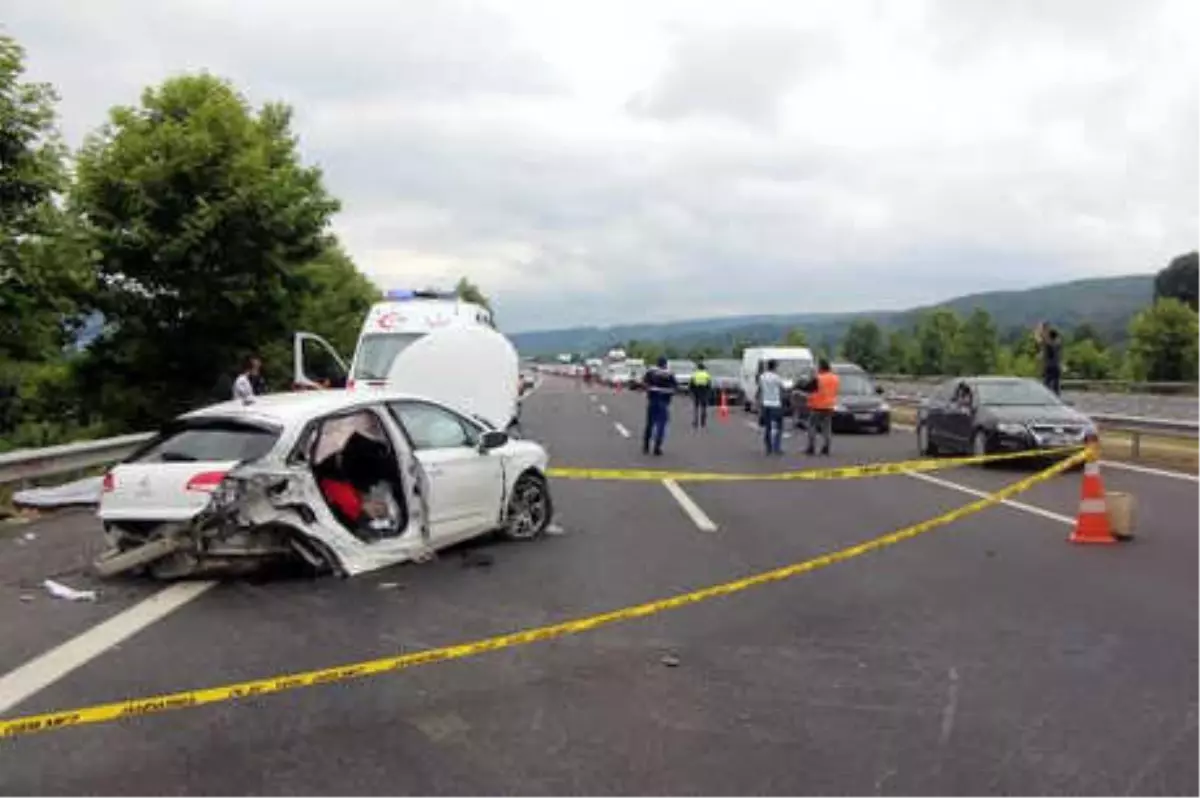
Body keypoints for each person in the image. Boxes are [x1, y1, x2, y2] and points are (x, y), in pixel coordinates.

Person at [805, 358, 840, 456]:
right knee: (827, 428)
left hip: (817, 406)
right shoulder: (835, 378)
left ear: (821, 367)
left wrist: (812, 376)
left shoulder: (818, 378)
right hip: (829, 406)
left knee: (812, 426)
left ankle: (811, 447)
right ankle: (826, 447)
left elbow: (808, 388)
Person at [642, 356, 675, 456]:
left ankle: (646, 446)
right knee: (661, 425)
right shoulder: (669, 374)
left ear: (657, 363)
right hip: (664, 402)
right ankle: (657, 447)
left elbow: (644, 382)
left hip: (652, 400)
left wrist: (649, 389)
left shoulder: (651, 372)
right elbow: (675, 387)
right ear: (665, 364)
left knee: (649, 424)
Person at [758, 359, 785, 455]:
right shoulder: (777, 378)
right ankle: (776, 447)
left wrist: (759, 404)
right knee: (779, 426)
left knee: (768, 427)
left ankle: (768, 447)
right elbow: (782, 389)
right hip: (776, 404)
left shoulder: (762, 377)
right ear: (775, 367)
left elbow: (760, 390)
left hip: (765, 404)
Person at [1035, 323, 1063, 395]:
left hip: (1049, 366)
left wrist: (1040, 330)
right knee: (1056, 385)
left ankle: (1047, 396)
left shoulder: (1049, 344)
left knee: (1047, 384)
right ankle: (1057, 397)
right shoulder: (1058, 343)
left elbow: (1041, 340)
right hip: (1057, 366)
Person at [690, 360, 713, 428]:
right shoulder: (707, 374)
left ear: (698, 368)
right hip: (704, 391)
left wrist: (691, 392)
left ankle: (695, 422)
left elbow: (691, 384)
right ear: (704, 368)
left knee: (696, 407)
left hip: (696, 391)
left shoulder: (695, 374)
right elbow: (709, 384)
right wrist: (709, 392)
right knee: (703, 406)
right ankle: (703, 421)